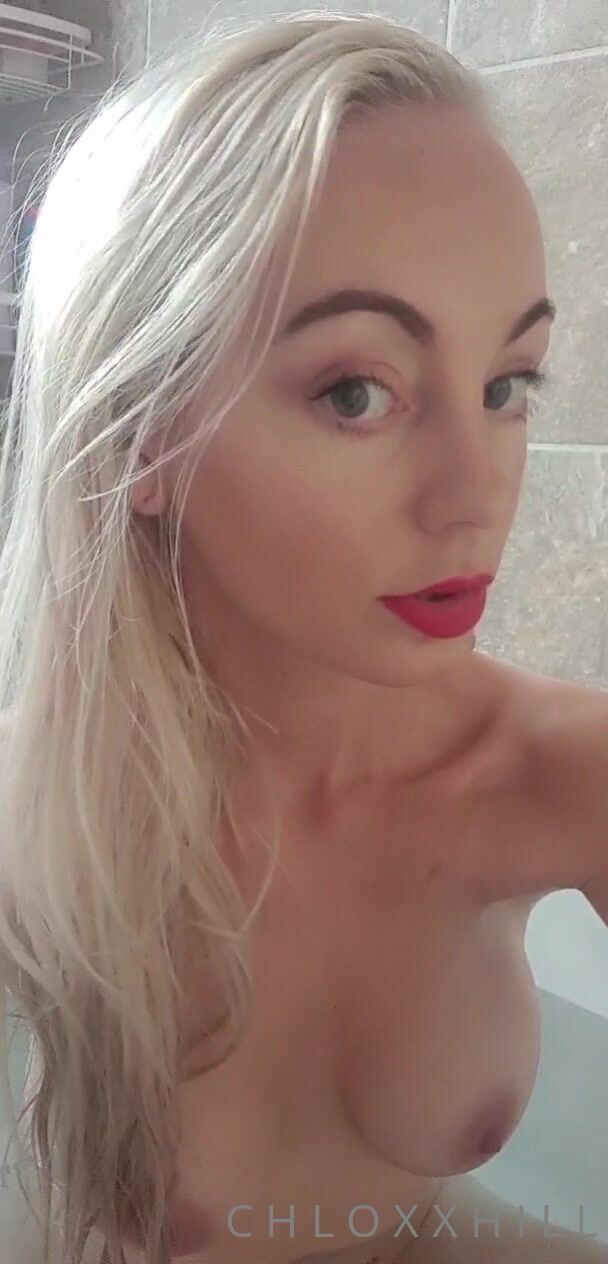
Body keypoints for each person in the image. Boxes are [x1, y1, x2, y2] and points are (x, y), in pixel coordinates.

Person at [0, 9, 607, 1264]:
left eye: (504, 386)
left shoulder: (563, 772)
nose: (475, 496)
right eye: (356, 391)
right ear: (139, 436)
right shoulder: (32, 807)